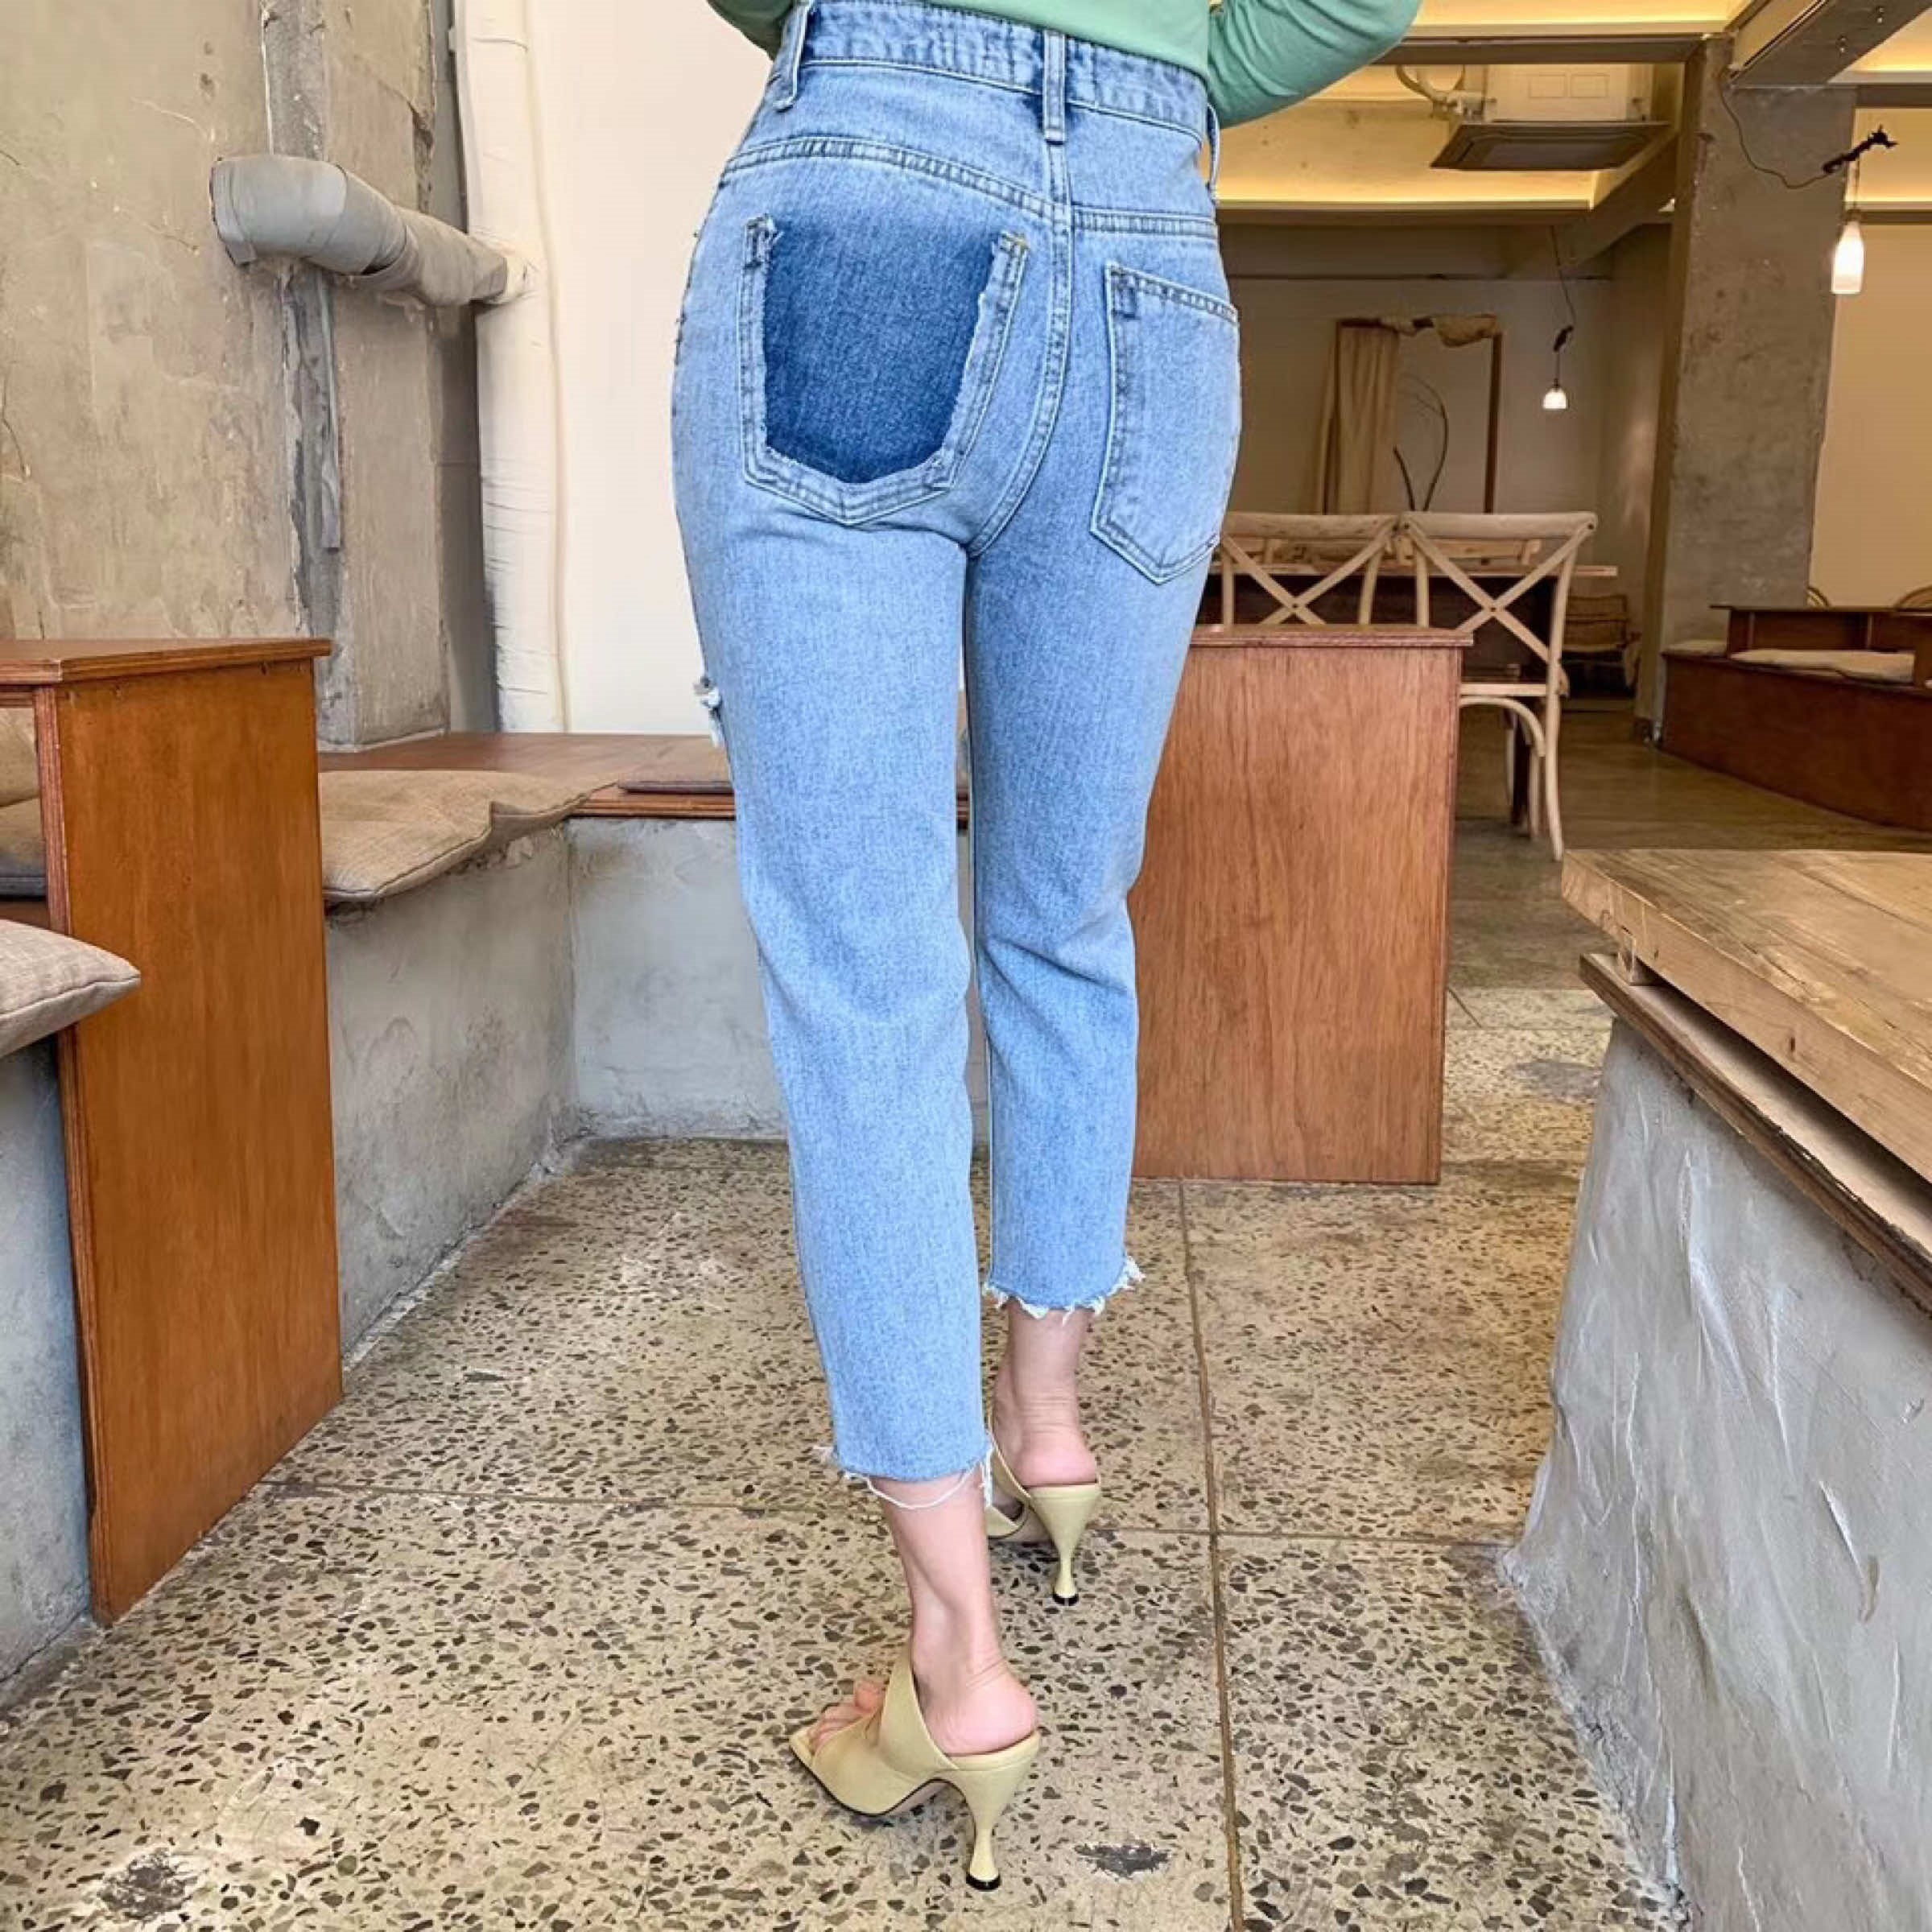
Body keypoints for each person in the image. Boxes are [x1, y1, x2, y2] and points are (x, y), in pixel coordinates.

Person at [678, 0, 1415, 1889]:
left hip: (871, 190)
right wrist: (1160, 67)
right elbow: (1364, 2)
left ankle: (958, 1653)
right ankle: (1052, 1426)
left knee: (868, 970)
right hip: (1153, 265)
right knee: (1066, 915)